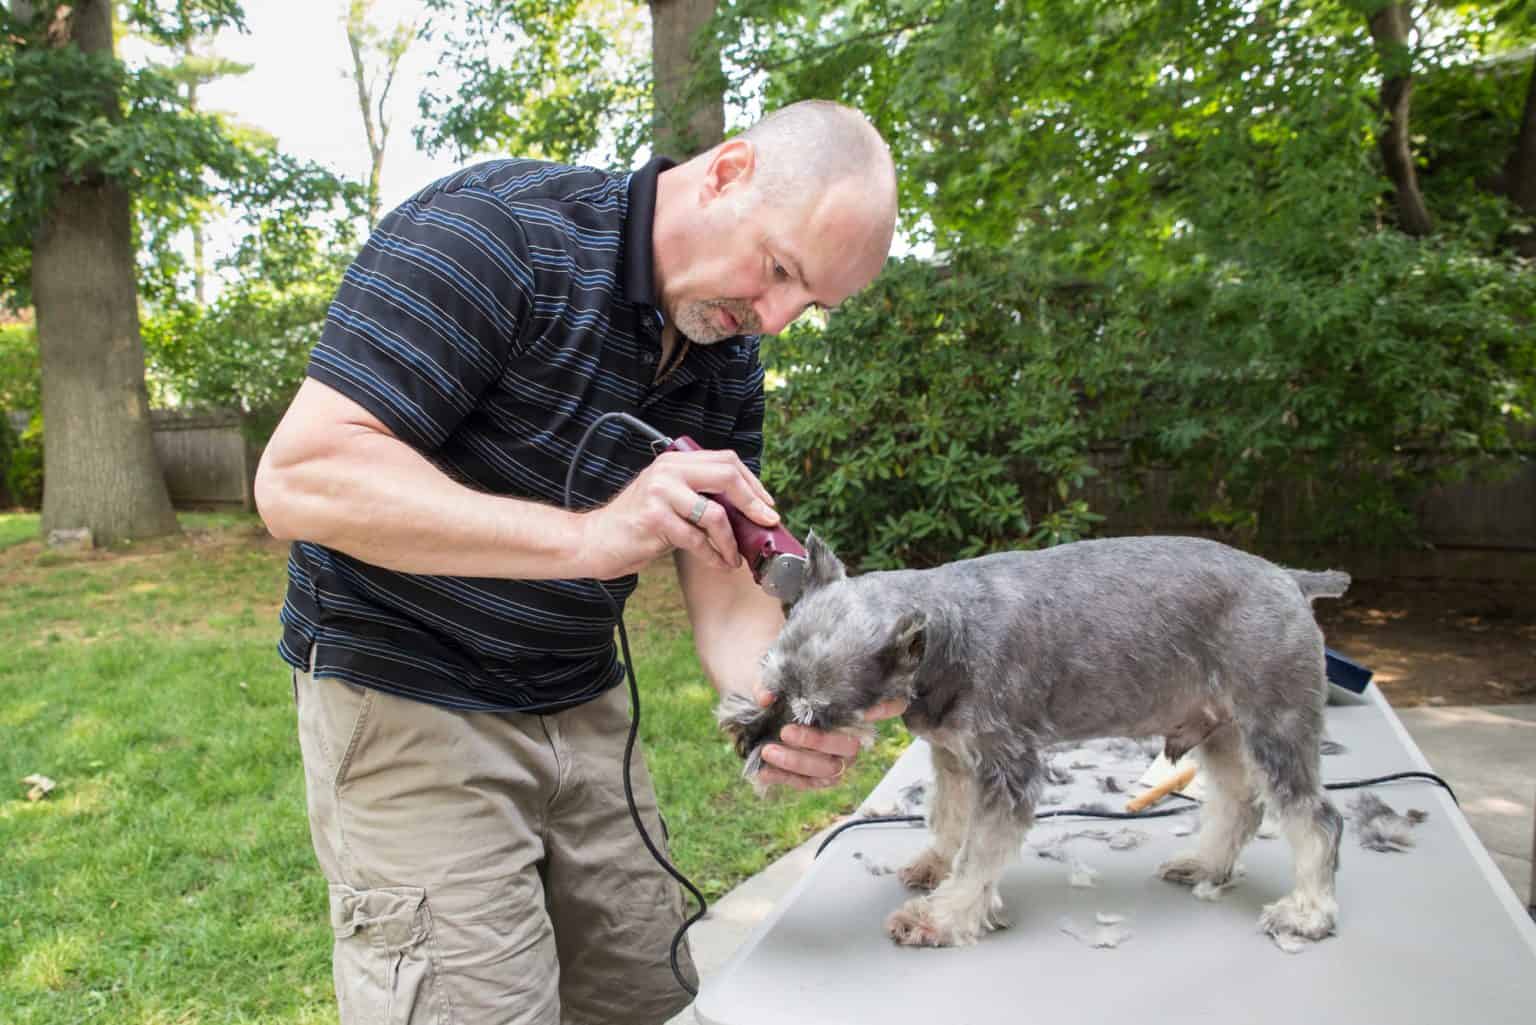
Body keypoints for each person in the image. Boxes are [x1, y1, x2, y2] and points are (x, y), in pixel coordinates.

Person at [254, 99, 902, 1025]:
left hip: (582, 701)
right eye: (779, 270)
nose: (777, 317)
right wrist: (590, 538)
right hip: (409, 696)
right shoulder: (499, 234)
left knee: (649, 996)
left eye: (810, 304)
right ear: (727, 173)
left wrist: (780, 703)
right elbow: (301, 477)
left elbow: (722, 580)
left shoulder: (726, 350)